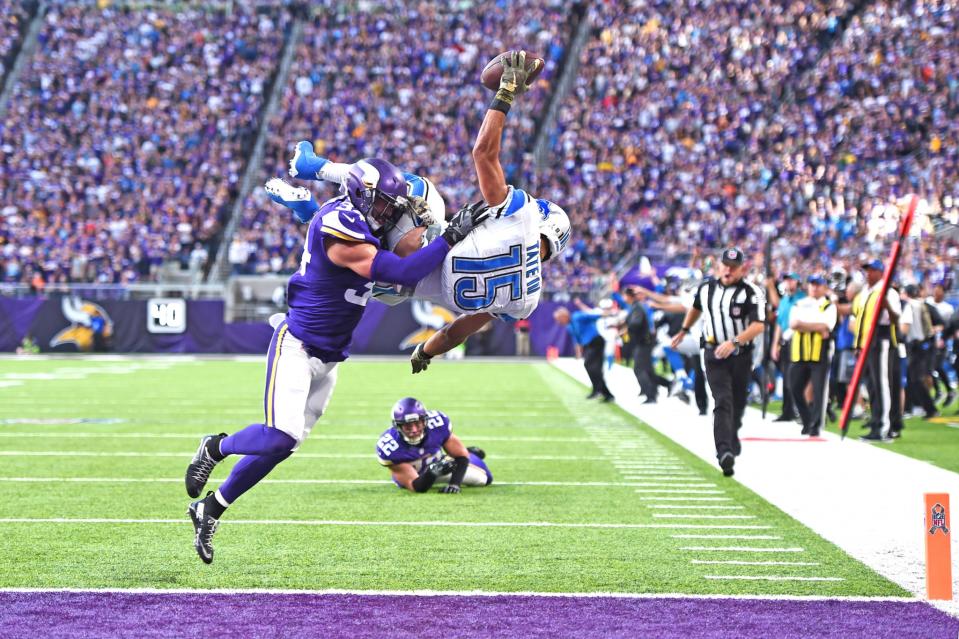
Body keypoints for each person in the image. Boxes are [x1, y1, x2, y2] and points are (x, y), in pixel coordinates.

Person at [182, 160, 490, 564]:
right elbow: (399, 268)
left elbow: (395, 231)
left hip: (329, 358)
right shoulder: (341, 227)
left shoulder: (363, 214)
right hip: (297, 345)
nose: (390, 213)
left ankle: (211, 509)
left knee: (282, 447)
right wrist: (450, 235)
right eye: (384, 205)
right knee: (279, 435)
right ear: (363, 197)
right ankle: (215, 446)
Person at [671, 248, 766, 477]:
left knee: (738, 401)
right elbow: (695, 308)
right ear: (719, 266)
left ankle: (731, 436)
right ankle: (723, 451)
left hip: (741, 353)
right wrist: (684, 330)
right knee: (722, 399)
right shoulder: (706, 288)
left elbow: (758, 325)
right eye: (725, 265)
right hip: (713, 352)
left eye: (734, 266)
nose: (728, 270)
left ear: (742, 268)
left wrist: (734, 341)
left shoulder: (751, 292)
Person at [376, 397, 492, 492]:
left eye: (418, 423)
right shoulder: (390, 446)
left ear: (425, 421)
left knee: (485, 479)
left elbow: (461, 456)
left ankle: (471, 453)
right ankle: (461, 454)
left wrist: (454, 485)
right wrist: (432, 472)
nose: (414, 430)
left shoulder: (437, 424)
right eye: (408, 426)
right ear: (398, 427)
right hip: (417, 476)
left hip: (440, 465)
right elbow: (415, 486)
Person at [851, 258, 903, 441]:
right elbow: (859, 321)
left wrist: (887, 306)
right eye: (867, 270)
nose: (868, 273)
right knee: (872, 386)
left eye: (872, 270)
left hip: (881, 340)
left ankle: (883, 426)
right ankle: (875, 422)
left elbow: (897, 319)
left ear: (881, 273)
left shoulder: (888, 292)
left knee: (882, 386)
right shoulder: (865, 292)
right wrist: (857, 345)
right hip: (866, 343)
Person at [787, 274, 837, 436]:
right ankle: (807, 419)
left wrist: (803, 325)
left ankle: (816, 424)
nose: (814, 287)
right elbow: (793, 324)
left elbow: (827, 326)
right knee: (794, 387)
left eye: (818, 285)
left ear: (824, 287)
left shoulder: (828, 305)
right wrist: (816, 326)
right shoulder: (799, 303)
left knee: (819, 389)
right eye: (812, 284)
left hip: (819, 352)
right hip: (799, 352)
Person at [554, 306, 614, 402]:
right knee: (591, 367)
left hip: (596, 342)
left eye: (559, 319)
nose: (559, 322)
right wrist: (578, 353)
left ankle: (599, 390)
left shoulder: (577, 316)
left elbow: (593, 316)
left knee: (593, 367)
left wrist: (607, 313)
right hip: (588, 345)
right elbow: (577, 341)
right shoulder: (569, 326)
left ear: (564, 316)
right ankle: (603, 392)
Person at [770, 272, 805, 422]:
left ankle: (799, 409)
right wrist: (774, 344)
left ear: (797, 282)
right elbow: (779, 323)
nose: (789, 283)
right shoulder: (784, 300)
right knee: (786, 377)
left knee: (795, 377)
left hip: (796, 339)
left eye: (791, 280)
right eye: (787, 280)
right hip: (784, 341)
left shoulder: (802, 299)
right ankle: (787, 410)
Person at [900, 284, 937, 419]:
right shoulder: (921, 304)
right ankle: (915, 407)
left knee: (914, 379)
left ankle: (929, 408)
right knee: (912, 378)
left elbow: (907, 327)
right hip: (922, 344)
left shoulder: (910, 306)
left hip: (915, 345)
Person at [622, 287, 659, 403]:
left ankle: (651, 394)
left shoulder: (637, 307)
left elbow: (636, 323)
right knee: (647, 369)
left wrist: (627, 328)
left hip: (644, 342)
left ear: (628, 296)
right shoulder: (635, 306)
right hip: (643, 341)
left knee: (638, 368)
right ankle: (654, 391)